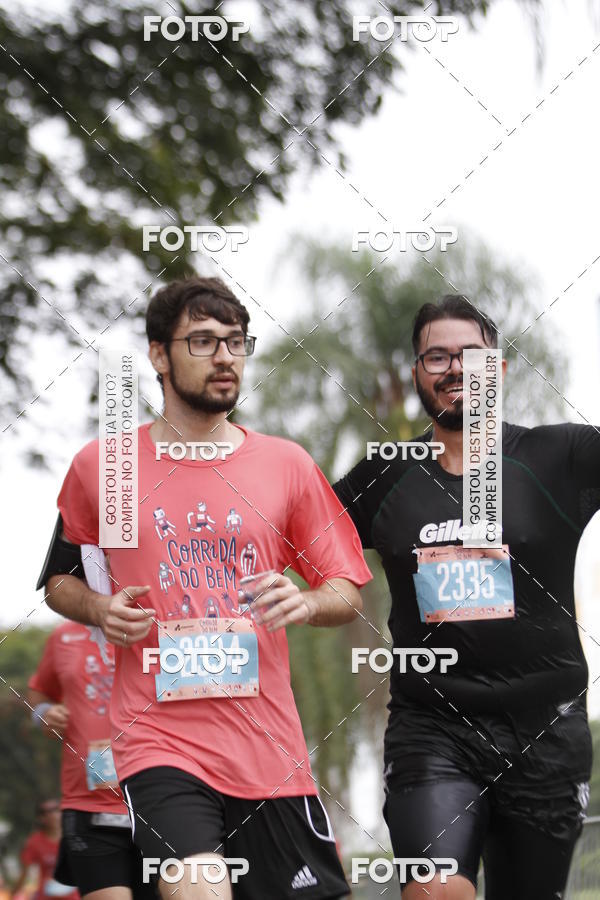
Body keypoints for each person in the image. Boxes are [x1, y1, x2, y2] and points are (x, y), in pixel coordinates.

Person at [41, 275, 372, 900]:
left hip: (270, 750)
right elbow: (59, 581)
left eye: (236, 342)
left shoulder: (286, 465)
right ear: (158, 355)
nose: (225, 357)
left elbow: (347, 587)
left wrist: (305, 600)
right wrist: (98, 606)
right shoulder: (108, 468)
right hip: (157, 742)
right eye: (202, 341)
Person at [333, 294, 600, 899]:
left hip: (546, 728)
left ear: (499, 370)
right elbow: (292, 532)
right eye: (436, 357)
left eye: (470, 356)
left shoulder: (556, 456)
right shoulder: (387, 475)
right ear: (416, 374)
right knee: (434, 890)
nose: (453, 368)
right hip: (433, 726)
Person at [28, 618, 154, 900]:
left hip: (159, 799)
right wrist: (43, 714)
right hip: (89, 804)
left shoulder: (158, 622)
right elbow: (38, 694)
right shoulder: (63, 636)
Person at [11, 800, 78, 900]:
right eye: (47, 812)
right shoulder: (34, 842)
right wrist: (13, 894)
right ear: (40, 818)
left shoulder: (76, 836)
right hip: (47, 896)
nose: (53, 815)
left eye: (56, 809)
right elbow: (24, 874)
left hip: (74, 896)